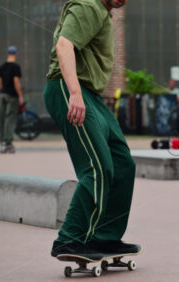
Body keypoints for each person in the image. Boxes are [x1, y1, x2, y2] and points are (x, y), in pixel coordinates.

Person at [45, 0, 140, 260]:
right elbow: (64, 46)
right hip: (69, 88)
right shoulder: (89, 5)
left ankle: (105, 237)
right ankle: (69, 240)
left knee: (122, 164)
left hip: (92, 96)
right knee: (97, 167)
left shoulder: (104, 13)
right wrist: (74, 92)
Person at [0, 46, 24, 154]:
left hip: (2, 95)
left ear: (8, 54)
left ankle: (3, 142)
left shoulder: (1, 67)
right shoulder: (16, 67)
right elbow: (16, 81)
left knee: (3, 118)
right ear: (16, 54)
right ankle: (8, 143)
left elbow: (0, 82)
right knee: (10, 118)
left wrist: (3, 90)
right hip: (12, 96)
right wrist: (20, 95)